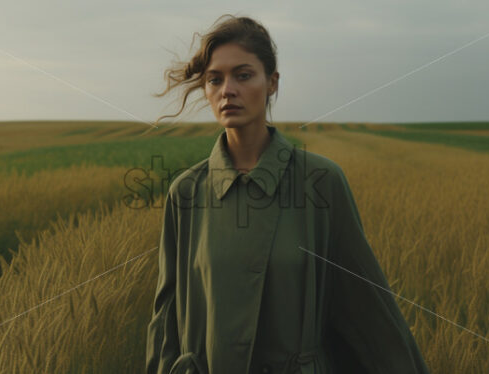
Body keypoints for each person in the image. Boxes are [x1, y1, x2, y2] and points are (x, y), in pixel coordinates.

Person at [146, 14, 430, 374]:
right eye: (215, 79)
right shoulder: (185, 193)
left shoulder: (322, 181)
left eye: (243, 75)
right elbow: (166, 320)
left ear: (272, 83)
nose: (227, 90)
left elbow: (367, 308)